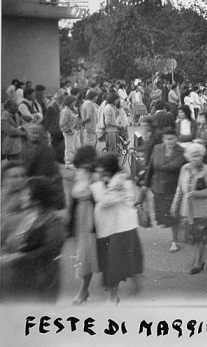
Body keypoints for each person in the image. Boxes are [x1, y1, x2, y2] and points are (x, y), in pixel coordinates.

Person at [0, 176, 67, 303]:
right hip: (21, 281)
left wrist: (16, 257)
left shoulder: (53, 221)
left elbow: (50, 250)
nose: (22, 196)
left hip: (42, 282)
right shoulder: (28, 217)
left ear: (37, 198)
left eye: (26, 193)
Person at [91, 153, 144, 304]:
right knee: (121, 262)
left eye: (103, 171)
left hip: (122, 228)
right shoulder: (108, 182)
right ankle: (135, 284)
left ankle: (113, 298)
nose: (100, 174)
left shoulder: (122, 183)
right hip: (107, 228)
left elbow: (106, 201)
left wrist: (101, 186)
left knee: (113, 265)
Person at [170, 142, 207, 275]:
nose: (195, 158)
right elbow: (180, 188)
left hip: (203, 210)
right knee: (192, 238)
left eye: (198, 155)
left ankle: (199, 261)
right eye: (192, 155)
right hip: (187, 209)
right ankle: (199, 257)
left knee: (202, 237)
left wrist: (197, 193)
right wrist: (175, 204)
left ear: (202, 155)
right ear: (188, 156)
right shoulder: (184, 169)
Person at [143, 127, 187, 253]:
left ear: (177, 138)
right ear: (163, 139)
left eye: (172, 139)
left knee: (173, 214)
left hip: (174, 188)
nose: (170, 141)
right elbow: (150, 168)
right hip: (158, 188)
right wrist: (145, 185)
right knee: (164, 215)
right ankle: (179, 228)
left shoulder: (182, 151)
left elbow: (186, 170)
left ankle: (175, 241)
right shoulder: (157, 149)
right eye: (167, 139)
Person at [69, 145, 100, 305]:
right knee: (84, 255)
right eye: (82, 164)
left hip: (93, 219)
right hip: (80, 218)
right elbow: (73, 198)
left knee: (88, 255)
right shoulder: (79, 174)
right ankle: (84, 289)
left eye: (86, 163)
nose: (84, 167)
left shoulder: (97, 176)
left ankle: (83, 290)